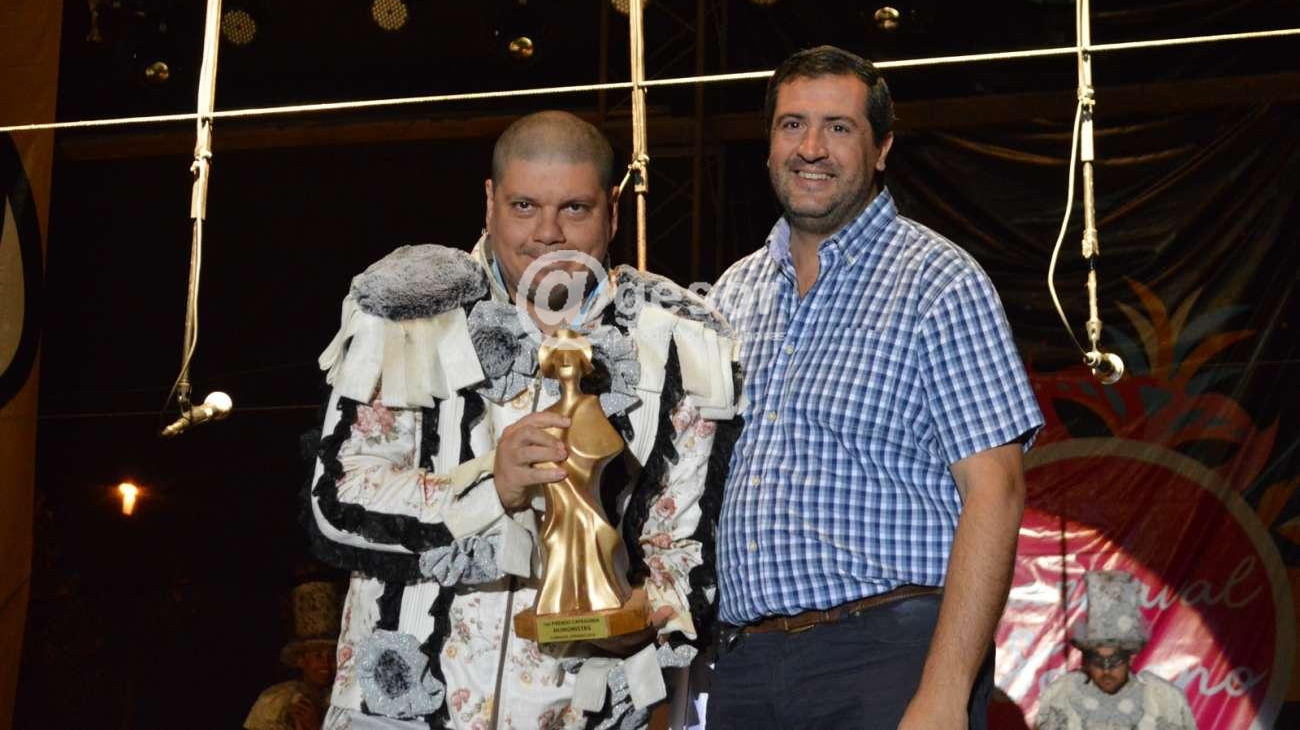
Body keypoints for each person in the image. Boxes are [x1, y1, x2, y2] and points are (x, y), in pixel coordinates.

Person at [304, 111, 741, 730]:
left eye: (575, 209)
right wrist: (494, 486)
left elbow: (683, 544)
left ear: (613, 210)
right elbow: (338, 499)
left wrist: (642, 617)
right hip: (397, 713)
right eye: (525, 206)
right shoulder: (409, 310)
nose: (548, 233)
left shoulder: (677, 338)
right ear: (490, 202)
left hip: (578, 713)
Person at [705, 45, 1044, 730]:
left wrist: (945, 691)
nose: (811, 148)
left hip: (887, 655)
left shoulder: (938, 281)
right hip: (745, 664)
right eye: (792, 124)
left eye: (839, 127)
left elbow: (997, 491)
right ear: (768, 144)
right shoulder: (730, 294)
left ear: (882, 148)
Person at [1036, 571, 1196, 730]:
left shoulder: (1163, 701)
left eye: (1115, 661)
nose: (1106, 671)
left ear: (1130, 658)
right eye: (1097, 661)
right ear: (1088, 660)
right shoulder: (1063, 697)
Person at [244, 581, 340, 730]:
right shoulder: (273, 701)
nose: (326, 664)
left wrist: (316, 726)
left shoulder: (345, 703)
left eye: (332, 656)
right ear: (301, 660)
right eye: (318, 656)